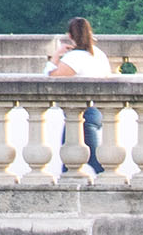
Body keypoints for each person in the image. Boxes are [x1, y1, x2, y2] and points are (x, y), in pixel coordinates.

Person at [48, 16, 113, 175]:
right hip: (96, 112)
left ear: (70, 36)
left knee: (94, 161)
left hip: (83, 114)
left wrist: (56, 56)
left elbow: (51, 77)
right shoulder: (98, 54)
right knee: (69, 158)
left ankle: (117, 192)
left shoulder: (75, 57)